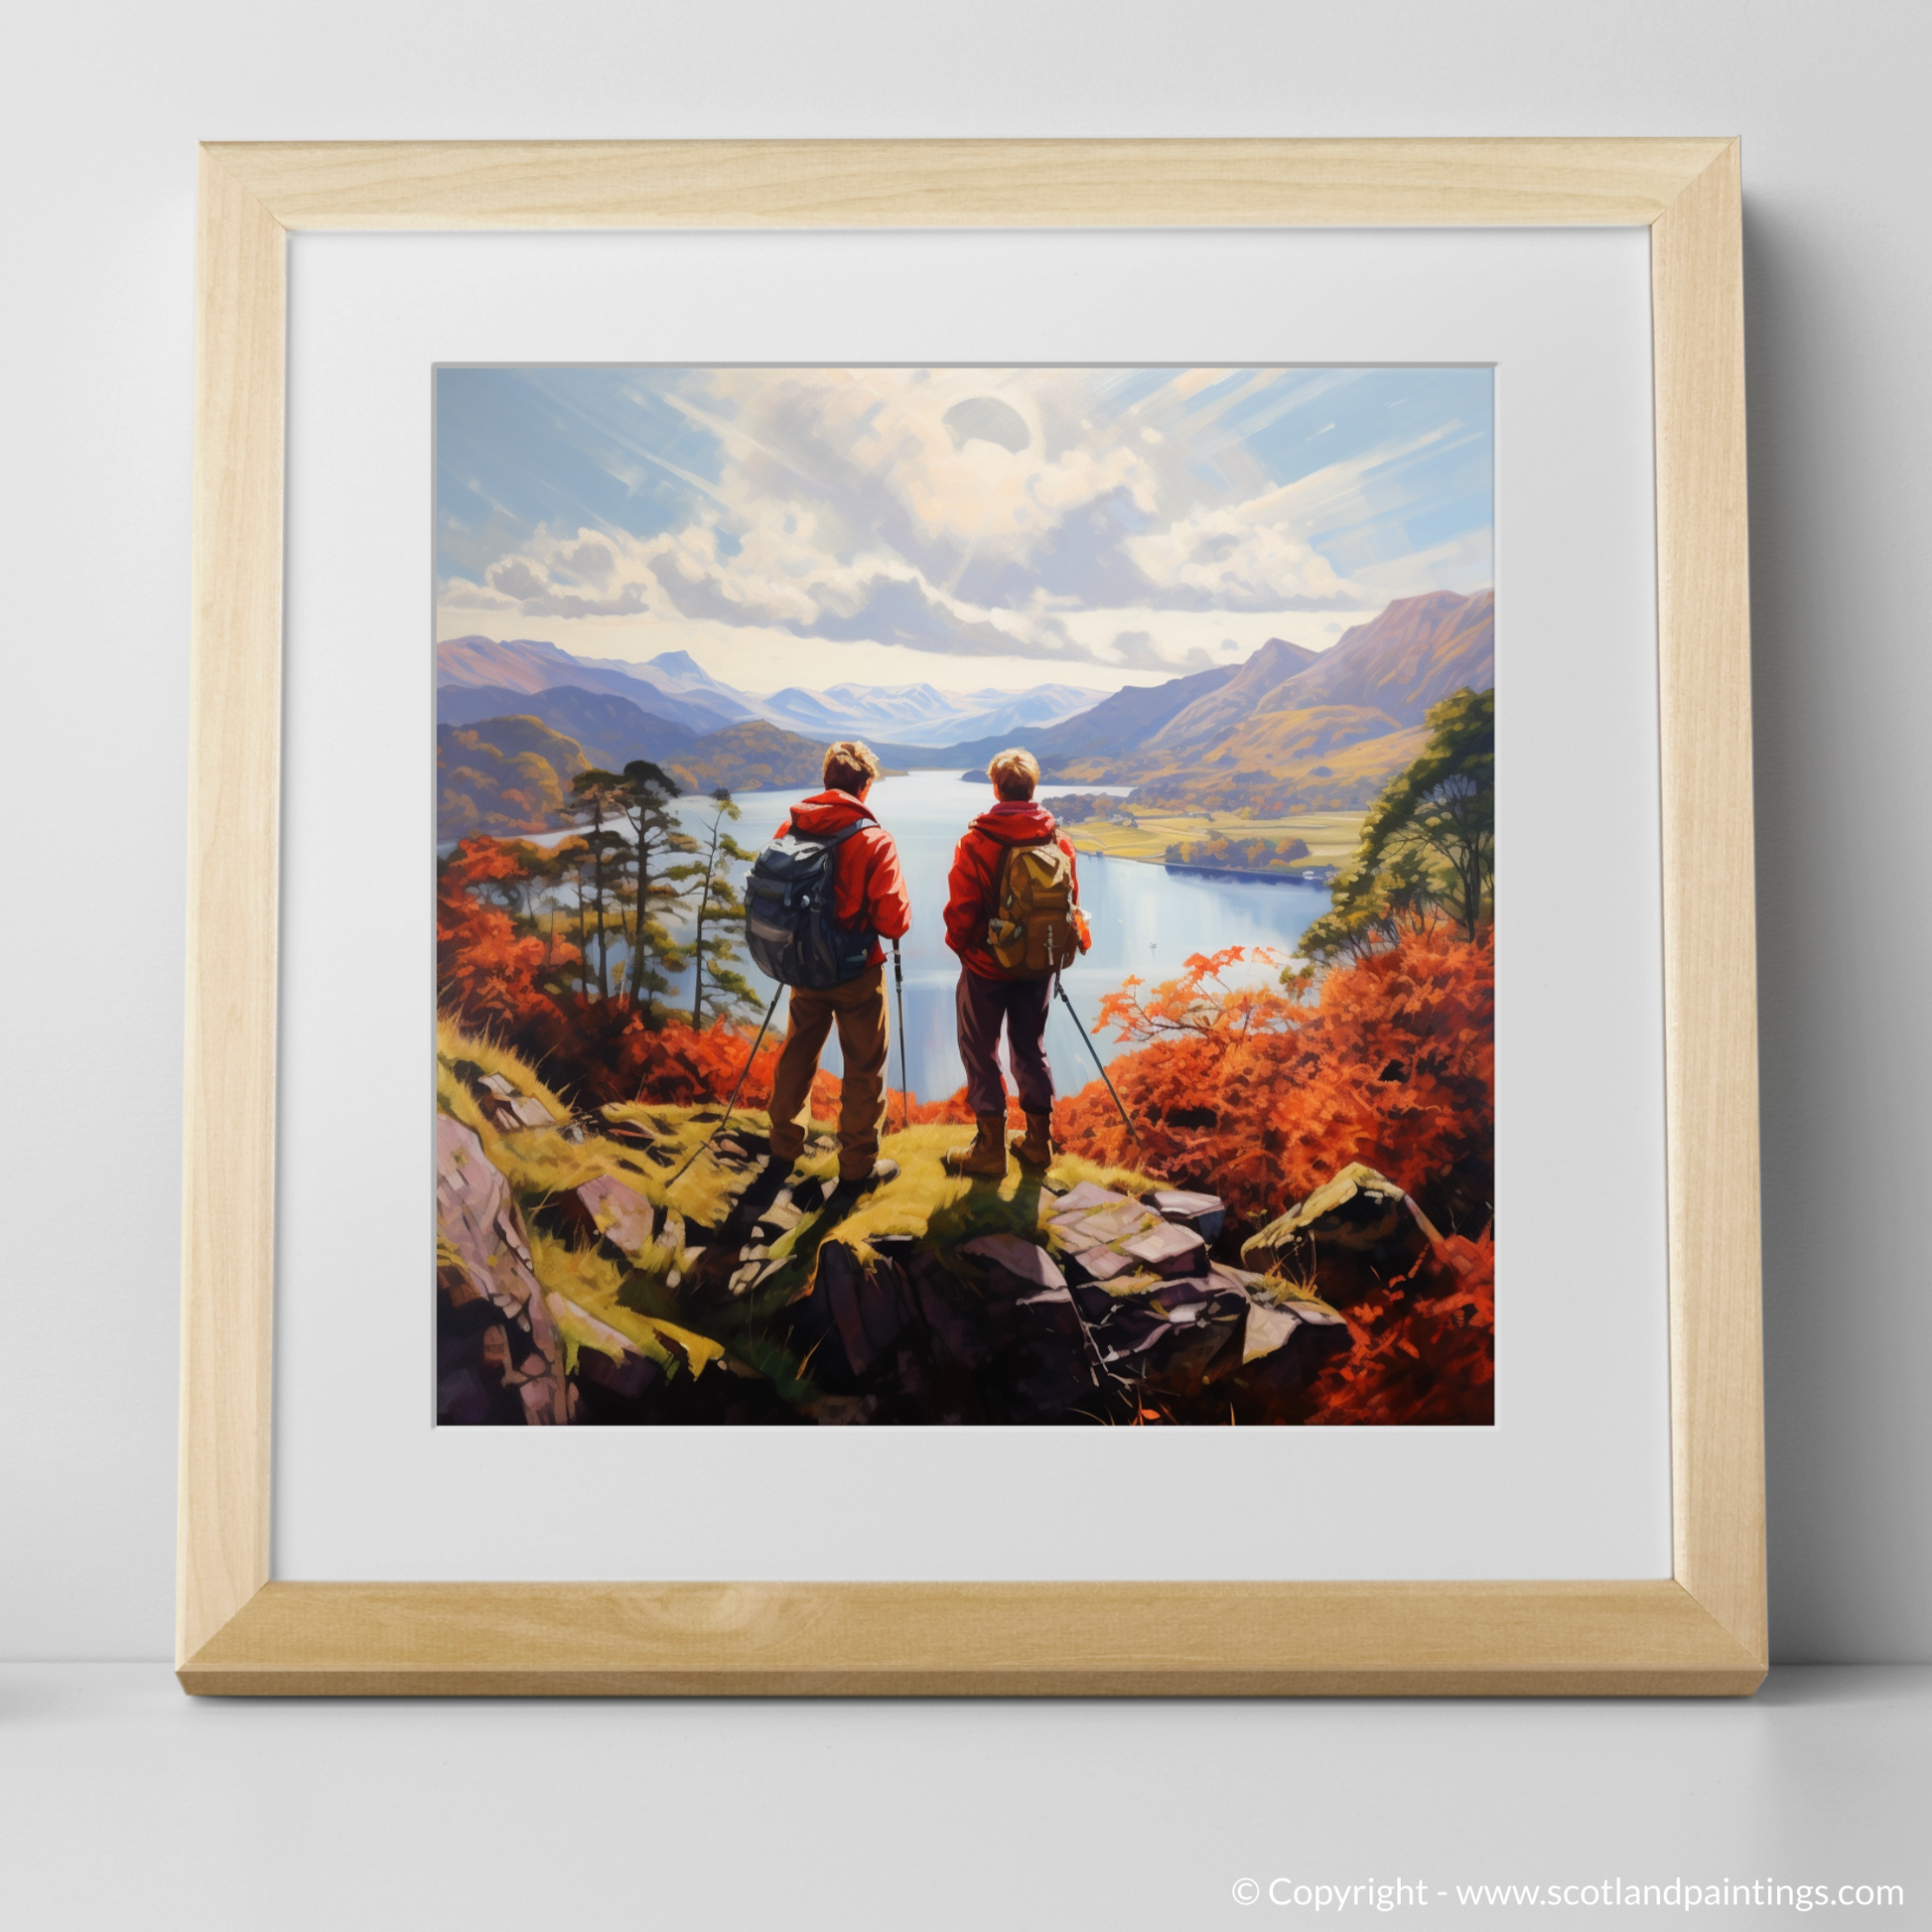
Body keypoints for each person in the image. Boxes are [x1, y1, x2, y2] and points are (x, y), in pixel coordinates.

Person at [764, 741, 911, 1192]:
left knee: (798, 1052)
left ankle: (784, 1145)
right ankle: (856, 1167)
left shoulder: (790, 826)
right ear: (864, 787)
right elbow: (894, 920)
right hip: (856, 971)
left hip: (803, 966)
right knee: (864, 1065)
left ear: (827, 780)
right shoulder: (873, 839)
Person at [941, 747, 1085, 1179]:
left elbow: (961, 912)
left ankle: (990, 1150)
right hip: (1038, 964)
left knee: (981, 1051)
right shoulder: (1058, 841)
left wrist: (963, 949)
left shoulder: (975, 841)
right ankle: (1039, 1143)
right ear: (1032, 788)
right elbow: (1071, 903)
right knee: (1031, 1047)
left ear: (996, 788)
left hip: (986, 966)